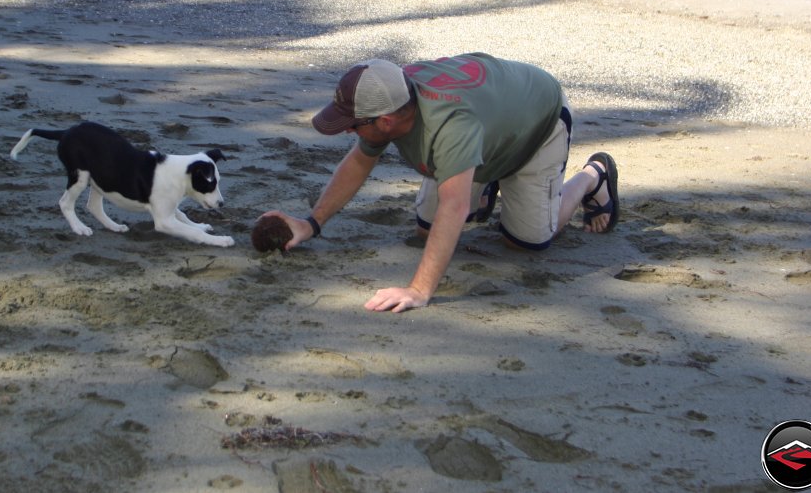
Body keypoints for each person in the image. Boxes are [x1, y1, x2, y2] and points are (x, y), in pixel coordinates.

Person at [261, 53, 620, 313]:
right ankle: (484, 178)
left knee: (526, 243)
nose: (350, 131)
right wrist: (311, 224)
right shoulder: (393, 94)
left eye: (354, 124)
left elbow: (454, 205)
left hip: (538, 123)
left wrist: (418, 290)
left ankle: (593, 177)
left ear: (385, 122)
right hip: (488, 126)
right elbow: (359, 160)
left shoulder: (450, 125)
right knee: (426, 232)